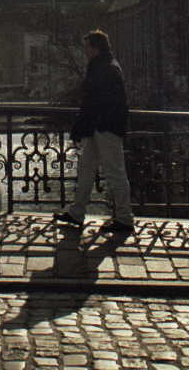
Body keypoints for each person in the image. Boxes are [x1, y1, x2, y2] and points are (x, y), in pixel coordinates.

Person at [54, 30, 134, 234]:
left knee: (114, 172)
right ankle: (77, 212)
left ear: (95, 48)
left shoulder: (104, 68)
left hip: (104, 127)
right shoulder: (107, 66)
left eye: (87, 47)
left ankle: (124, 218)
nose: (85, 51)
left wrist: (83, 126)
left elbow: (94, 102)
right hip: (100, 127)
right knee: (87, 170)